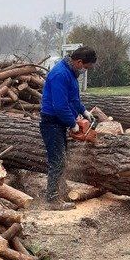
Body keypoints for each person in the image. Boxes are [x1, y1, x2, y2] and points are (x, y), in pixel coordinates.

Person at [39, 46, 98, 209]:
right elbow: (60, 106)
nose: (85, 70)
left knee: (61, 159)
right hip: (51, 123)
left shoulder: (71, 73)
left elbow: (73, 99)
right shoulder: (60, 74)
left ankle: (59, 191)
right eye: (86, 67)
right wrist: (73, 124)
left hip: (58, 122)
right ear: (79, 62)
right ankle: (52, 200)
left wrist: (83, 111)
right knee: (57, 161)